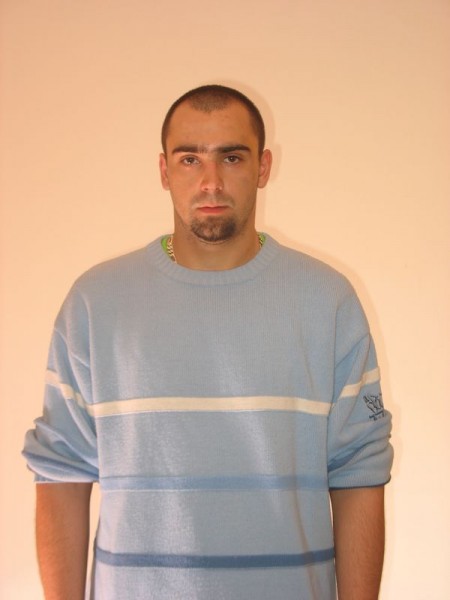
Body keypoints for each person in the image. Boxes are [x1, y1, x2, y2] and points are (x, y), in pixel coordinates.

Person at [23, 84, 393, 600]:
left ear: (263, 167)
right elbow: (61, 472)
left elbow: (359, 471)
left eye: (232, 157)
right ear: (164, 171)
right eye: (190, 159)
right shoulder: (95, 302)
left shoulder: (326, 300)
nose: (211, 182)